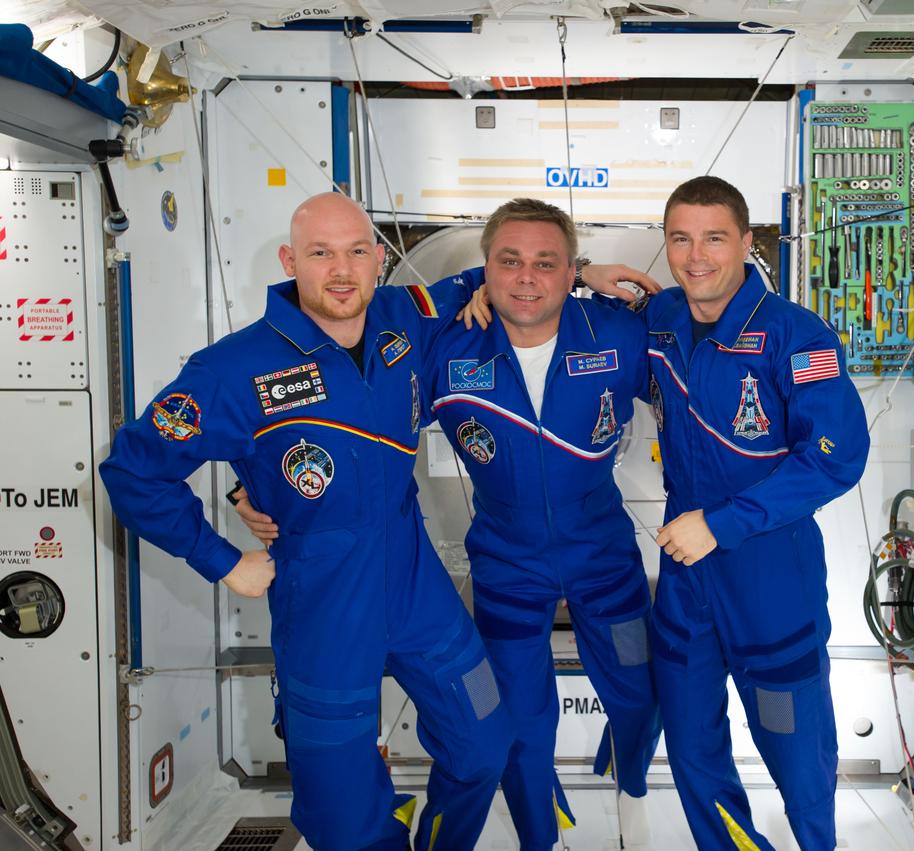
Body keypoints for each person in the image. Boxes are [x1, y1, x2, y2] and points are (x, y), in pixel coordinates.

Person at [234, 199, 666, 851]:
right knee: (517, 723)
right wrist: (253, 486)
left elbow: (695, 401)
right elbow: (339, 413)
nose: (526, 277)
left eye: (547, 263)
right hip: (506, 566)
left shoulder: (616, 332)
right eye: (508, 262)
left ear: (567, 268)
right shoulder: (447, 345)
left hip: (605, 559)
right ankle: (536, 834)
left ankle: (630, 785)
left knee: (639, 695)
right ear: (484, 270)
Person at [99, 192, 514, 851]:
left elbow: (490, 277)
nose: (342, 269)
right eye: (320, 253)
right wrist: (224, 561)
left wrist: (584, 272)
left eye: (356, 251)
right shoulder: (232, 369)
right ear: (292, 261)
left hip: (416, 587)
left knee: (487, 743)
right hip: (322, 607)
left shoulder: (405, 318)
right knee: (344, 821)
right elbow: (132, 472)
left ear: (380, 259)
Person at [465, 178, 871, 848]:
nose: (696, 254)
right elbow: (537, 293)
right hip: (686, 583)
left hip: (769, 579)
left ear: (746, 241)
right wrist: (570, 271)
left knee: (795, 755)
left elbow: (835, 457)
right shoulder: (659, 321)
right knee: (690, 750)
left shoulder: (796, 336)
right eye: (680, 238)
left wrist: (722, 524)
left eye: (715, 237)